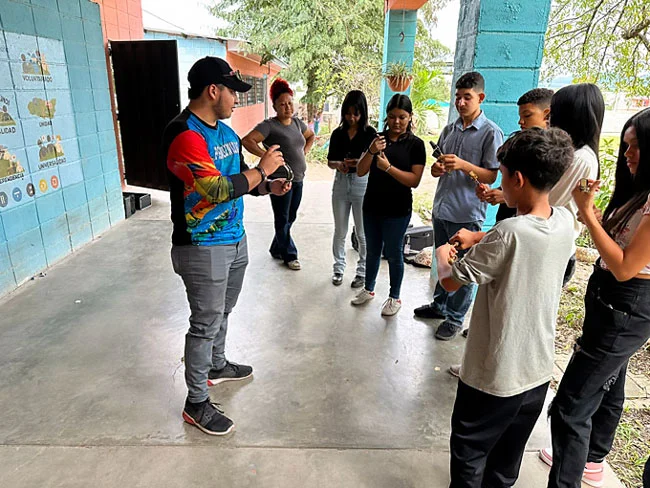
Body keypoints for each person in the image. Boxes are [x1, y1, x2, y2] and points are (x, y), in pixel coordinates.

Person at [436, 128, 575, 487]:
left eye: (503, 176)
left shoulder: (508, 232)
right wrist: (477, 236)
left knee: (469, 454)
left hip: (494, 375)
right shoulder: (564, 221)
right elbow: (523, 238)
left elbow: (451, 280)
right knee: (504, 465)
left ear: (517, 178)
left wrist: (440, 256)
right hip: (537, 372)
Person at [164, 57, 289, 436]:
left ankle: (216, 365)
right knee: (204, 322)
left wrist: (267, 186)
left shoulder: (226, 134)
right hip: (201, 245)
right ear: (212, 90)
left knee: (223, 312)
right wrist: (263, 169)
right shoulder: (185, 134)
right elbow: (216, 189)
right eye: (232, 91)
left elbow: (238, 182)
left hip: (235, 239)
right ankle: (196, 402)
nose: (236, 99)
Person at [545, 109, 650, 488]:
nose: (628, 155)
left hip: (627, 303)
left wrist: (587, 214)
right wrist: (595, 213)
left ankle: (568, 478)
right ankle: (594, 458)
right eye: (626, 147)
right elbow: (614, 244)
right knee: (609, 380)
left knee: (571, 406)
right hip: (610, 300)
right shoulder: (639, 192)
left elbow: (624, 267)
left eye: (636, 147)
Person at [414, 71, 504, 340]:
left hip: (467, 213)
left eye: (467, 97)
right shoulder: (449, 129)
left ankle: (455, 317)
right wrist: (438, 168)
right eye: (458, 97)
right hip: (442, 207)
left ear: (480, 98)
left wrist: (463, 165)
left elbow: (491, 176)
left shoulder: (491, 133)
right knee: (443, 260)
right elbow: (435, 169)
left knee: (463, 267)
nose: (461, 103)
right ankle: (440, 306)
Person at [350, 94, 425, 316]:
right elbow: (361, 170)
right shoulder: (376, 139)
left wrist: (388, 168)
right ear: (387, 117)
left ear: (410, 117)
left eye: (402, 117)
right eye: (392, 117)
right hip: (372, 205)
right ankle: (369, 289)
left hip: (397, 209)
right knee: (372, 250)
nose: (397, 122)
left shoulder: (416, 145)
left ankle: (394, 297)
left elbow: (415, 181)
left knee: (393, 253)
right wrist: (372, 151)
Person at [242, 78, 315, 270]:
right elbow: (248, 140)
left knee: (290, 217)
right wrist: (267, 155)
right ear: (274, 106)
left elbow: (311, 136)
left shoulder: (298, 123)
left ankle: (276, 247)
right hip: (279, 180)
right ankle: (289, 255)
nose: (287, 107)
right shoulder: (270, 125)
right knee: (282, 218)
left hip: (299, 178)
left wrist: (304, 152)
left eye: (290, 103)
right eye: (282, 104)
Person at [479, 87, 554, 223]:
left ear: (546, 115)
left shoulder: (553, 152)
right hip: (506, 219)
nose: (521, 122)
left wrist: (506, 196)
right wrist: (495, 193)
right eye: (520, 117)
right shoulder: (519, 145)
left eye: (527, 115)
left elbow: (550, 196)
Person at [328, 90, 376, 288]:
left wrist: (359, 162)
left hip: (362, 183)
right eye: (348, 114)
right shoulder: (338, 133)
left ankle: (362, 272)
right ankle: (338, 269)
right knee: (340, 230)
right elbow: (330, 161)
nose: (351, 118)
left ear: (362, 113)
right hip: (340, 182)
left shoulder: (370, 134)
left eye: (356, 114)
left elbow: (376, 162)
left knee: (362, 232)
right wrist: (339, 164)